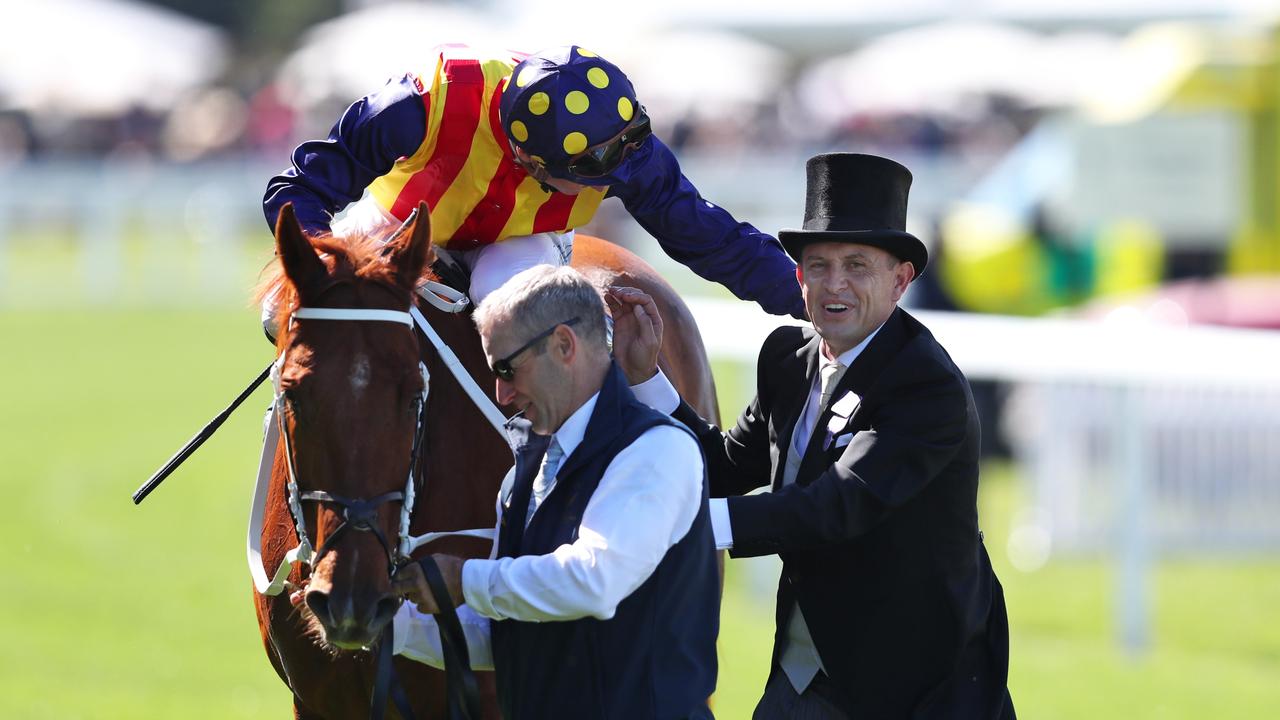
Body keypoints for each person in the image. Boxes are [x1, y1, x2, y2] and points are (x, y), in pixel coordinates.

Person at [612, 153, 1015, 719]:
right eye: (819, 265)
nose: (835, 284)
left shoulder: (927, 385)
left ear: (900, 280)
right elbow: (722, 467)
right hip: (801, 678)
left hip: (919, 689)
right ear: (797, 277)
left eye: (857, 266)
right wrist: (646, 378)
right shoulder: (787, 358)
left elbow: (830, 511)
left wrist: (670, 523)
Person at [389, 265, 719, 719]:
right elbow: (511, 631)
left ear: (564, 344)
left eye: (507, 368)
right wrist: (393, 625)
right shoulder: (523, 470)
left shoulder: (659, 449)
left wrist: (463, 579)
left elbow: (593, 582)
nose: (501, 393)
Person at [263, 43, 803, 317]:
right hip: (399, 221)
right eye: (587, 175)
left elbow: (713, 240)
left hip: (519, 241)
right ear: (528, 160)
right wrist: (322, 264)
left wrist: (811, 297)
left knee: (513, 311)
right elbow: (297, 188)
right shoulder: (417, 105)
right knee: (281, 311)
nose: (608, 185)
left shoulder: (624, 147)